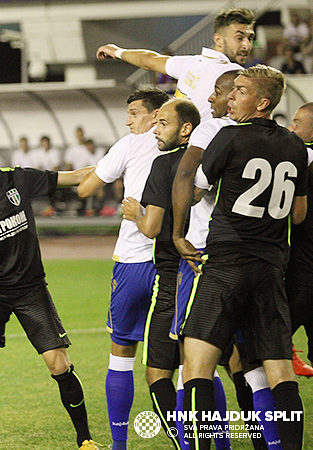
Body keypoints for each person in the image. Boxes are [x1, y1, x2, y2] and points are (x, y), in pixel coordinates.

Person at [0, 126, 99, 450]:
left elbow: (74, 177)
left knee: (58, 363)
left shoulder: (18, 180)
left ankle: (85, 440)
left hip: (30, 290)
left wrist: (125, 162)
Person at [179, 66, 307, 450]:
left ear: (262, 102)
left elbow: (195, 187)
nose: (231, 96)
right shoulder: (295, 146)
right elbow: (297, 214)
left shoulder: (228, 135)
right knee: (280, 370)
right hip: (270, 266)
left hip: (226, 262)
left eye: (240, 91)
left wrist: (177, 233)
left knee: (196, 366)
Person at [172, 69, 273, 449]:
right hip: (263, 261)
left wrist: (177, 233)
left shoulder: (214, 131)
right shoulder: (281, 140)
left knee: (194, 363)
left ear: (238, 97)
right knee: (254, 366)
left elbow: (189, 182)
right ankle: (266, 443)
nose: (214, 100)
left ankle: (206, 445)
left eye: (222, 92)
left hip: (207, 258)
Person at [77, 86, 170, 450]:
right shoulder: (190, 143)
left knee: (121, 354)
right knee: (189, 363)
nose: (128, 119)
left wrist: (95, 171)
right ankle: (201, 440)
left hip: (133, 261)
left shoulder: (128, 145)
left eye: (134, 111)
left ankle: (119, 445)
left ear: (155, 113)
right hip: (174, 262)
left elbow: (86, 188)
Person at [119, 98, 202, 448]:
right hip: (217, 273)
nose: (156, 128)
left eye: (163, 122)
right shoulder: (213, 160)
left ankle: (187, 444)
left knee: (158, 373)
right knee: (222, 368)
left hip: (172, 276)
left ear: (185, 129)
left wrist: (135, 213)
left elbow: (152, 227)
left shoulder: (164, 163)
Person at [96, 7, 254, 123]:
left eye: (250, 38)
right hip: (201, 153)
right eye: (240, 38)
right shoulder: (235, 74)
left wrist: (117, 51)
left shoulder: (191, 63)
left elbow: (148, 60)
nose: (247, 45)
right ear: (218, 39)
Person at [284, 104, 313, 375]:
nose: (291, 128)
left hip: (303, 273)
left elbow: (297, 217)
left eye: (296, 122)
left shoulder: (304, 157)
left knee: (269, 343)